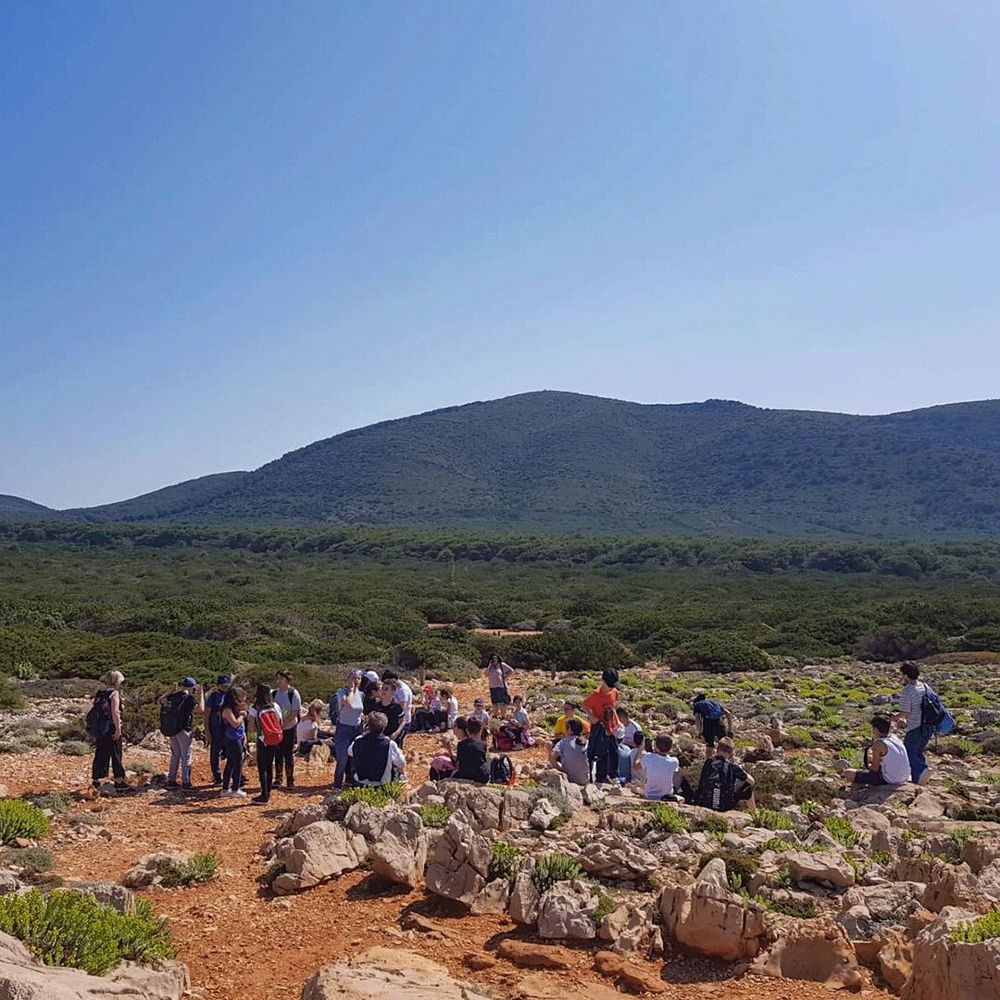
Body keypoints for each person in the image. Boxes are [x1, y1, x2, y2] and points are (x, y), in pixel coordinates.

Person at [159, 677, 203, 790]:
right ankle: (186, 782)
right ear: (192, 687)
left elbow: (160, 700)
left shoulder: (174, 696)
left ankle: (171, 780)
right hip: (184, 730)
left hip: (172, 729)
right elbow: (201, 709)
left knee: (175, 755)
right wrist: (201, 694)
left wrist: (171, 690)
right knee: (186, 756)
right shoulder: (189, 699)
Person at [691, 738, 756, 812]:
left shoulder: (708, 762)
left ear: (717, 750)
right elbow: (752, 781)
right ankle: (754, 814)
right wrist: (738, 767)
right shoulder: (732, 767)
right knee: (747, 788)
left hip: (703, 803)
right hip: (724, 806)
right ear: (731, 753)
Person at [844, 716, 911, 786]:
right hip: (904, 777)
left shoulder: (878, 743)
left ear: (876, 729)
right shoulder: (894, 737)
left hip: (890, 779)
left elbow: (875, 769)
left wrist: (868, 763)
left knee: (848, 773)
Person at [90, 670, 128, 793]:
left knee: (101, 752)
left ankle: (97, 779)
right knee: (116, 753)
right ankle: (119, 780)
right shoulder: (114, 694)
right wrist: (118, 729)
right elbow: (115, 712)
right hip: (111, 727)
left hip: (100, 727)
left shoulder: (100, 693)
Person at [897, 662, 934, 785]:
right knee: (918, 751)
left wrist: (893, 718)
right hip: (928, 725)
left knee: (908, 751)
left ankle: (922, 770)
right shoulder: (925, 687)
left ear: (906, 675)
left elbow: (906, 712)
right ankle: (920, 777)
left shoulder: (907, 690)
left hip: (915, 726)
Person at [347, 711, 407, 787]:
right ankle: (402, 778)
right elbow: (401, 763)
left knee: (354, 755)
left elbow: (349, 752)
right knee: (396, 760)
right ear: (384, 726)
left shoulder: (358, 740)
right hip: (382, 784)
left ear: (368, 725)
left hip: (360, 782)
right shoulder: (389, 744)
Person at [247, 683, 283, 804]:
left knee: (262, 767)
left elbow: (251, 728)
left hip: (262, 739)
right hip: (275, 738)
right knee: (269, 765)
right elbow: (280, 722)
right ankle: (268, 793)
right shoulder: (275, 706)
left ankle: (264, 795)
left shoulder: (255, 708)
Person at [583, 669, 620, 784]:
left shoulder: (614, 692)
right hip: (600, 728)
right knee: (601, 753)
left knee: (614, 751)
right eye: (609, 685)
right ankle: (600, 778)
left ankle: (613, 776)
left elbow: (614, 706)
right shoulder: (596, 695)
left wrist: (617, 720)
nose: (611, 687)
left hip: (611, 727)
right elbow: (584, 704)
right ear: (603, 681)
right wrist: (591, 717)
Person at [332, 670, 365, 790]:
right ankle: (337, 786)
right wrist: (351, 690)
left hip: (357, 728)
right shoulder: (342, 692)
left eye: (358, 678)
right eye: (353, 678)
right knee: (342, 759)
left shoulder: (361, 694)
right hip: (344, 728)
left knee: (355, 758)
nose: (356, 680)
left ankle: (353, 784)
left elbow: (359, 711)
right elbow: (348, 704)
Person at [272, 670, 302, 789]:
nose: (278, 681)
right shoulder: (273, 693)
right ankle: (278, 778)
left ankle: (290, 780)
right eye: (277, 678)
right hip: (276, 729)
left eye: (281, 679)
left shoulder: (293, 693)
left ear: (287, 680)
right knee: (277, 753)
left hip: (289, 728)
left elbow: (295, 712)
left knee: (288, 753)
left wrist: (283, 723)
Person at [632, 734, 681, 800]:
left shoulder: (648, 757)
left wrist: (641, 748)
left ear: (655, 745)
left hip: (649, 795)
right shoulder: (674, 761)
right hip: (667, 796)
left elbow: (635, 767)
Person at [220, 686, 248, 799]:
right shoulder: (227, 710)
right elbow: (235, 724)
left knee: (231, 762)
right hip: (232, 739)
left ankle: (225, 788)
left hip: (237, 738)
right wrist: (242, 715)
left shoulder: (233, 708)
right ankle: (235, 788)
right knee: (237, 763)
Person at [204, 675, 232, 785]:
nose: (226, 688)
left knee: (233, 753)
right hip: (216, 730)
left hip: (229, 730)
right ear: (218, 685)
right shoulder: (213, 697)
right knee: (215, 754)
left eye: (227, 686)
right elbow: (207, 715)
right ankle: (217, 776)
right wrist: (207, 731)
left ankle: (233, 775)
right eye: (224, 686)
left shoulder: (231, 695)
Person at [549, 718, 591, 786]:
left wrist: (560, 769)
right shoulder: (587, 742)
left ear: (570, 729)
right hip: (585, 779)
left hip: (569, 778)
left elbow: (551, 757)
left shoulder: (563, 742)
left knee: (549, 765)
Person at [692, 694, 733, 759]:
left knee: (709, 747)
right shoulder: (714, 703)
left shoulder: (697, 705)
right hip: (720, 723)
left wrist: (700, 733)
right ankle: (731, 761)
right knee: (726, 745)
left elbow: (698, 720)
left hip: (708, 725)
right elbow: (728, 713)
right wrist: (730, 729)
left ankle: (709, 763)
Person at [381, 671, 413, 747]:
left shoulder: (403, 690)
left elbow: (402, 707)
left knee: (397, 744)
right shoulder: (397, 688)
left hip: (401, 721)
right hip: (393, 720)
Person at [456, 717, 490, 784]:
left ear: (467, 731)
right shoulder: (483, 745)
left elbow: (458, 762)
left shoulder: (461, 745)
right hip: (481, 776)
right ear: (480, 730)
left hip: (465, 775)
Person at [615, 707, 640, 781]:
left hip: (632, 750)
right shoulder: (618, 725)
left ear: (622, 717)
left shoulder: (635, 727)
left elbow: (638, 744)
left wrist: (626, 743)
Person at [485, 653, 513, 718]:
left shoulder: (502, 665)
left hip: (501, 687)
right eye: (493, 658)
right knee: (494, 703)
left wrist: (505, 676)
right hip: (492, 687)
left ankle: (503, 716)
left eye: (496, 658)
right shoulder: (490, 667)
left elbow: (511, 670)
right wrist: (489, 665)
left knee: (502, 703)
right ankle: (495, 715)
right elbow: (486, 674)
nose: (494, 660)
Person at [376, 679, 405, 743]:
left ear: (393, 692)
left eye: (386, 689)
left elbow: (403, 721)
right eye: (382, 688)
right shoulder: (376, 706)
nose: (383, 691)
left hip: (392, 739)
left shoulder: (396, 707)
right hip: (378, 739)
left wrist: (396, 733)